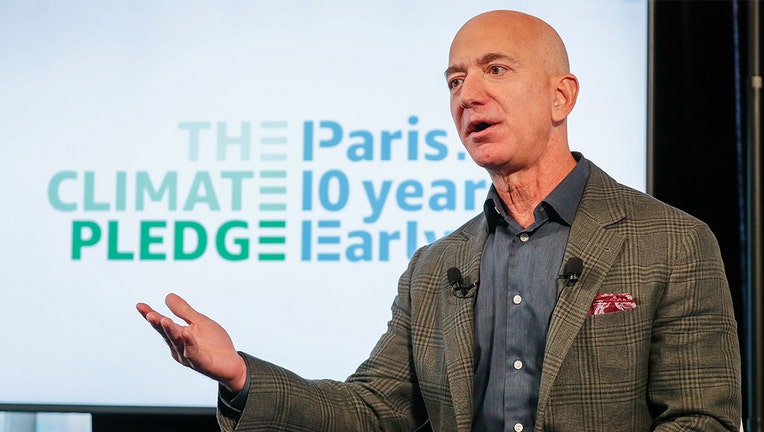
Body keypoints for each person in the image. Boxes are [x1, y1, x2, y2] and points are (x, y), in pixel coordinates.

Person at [137, 10, 742, 432]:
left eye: (495, 70)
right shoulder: (435, 268)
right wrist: (240, 374)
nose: (467, 94)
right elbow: (373, 412)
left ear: (562, 97)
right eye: (455, 80)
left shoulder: (671, 242)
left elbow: (701, 420)